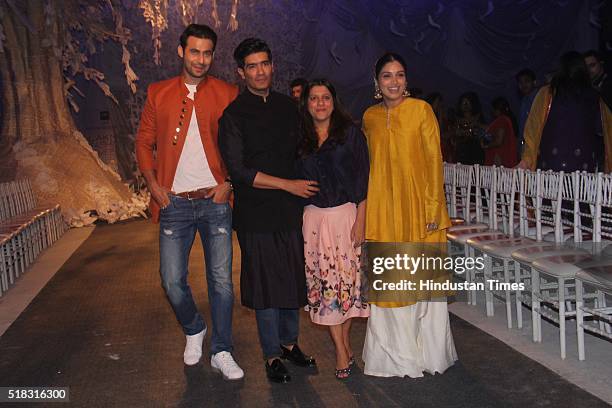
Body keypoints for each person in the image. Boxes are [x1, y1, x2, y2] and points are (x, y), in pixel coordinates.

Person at [135, 24, 244, 379]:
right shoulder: (159, 92)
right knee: (170, 280)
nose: (201, 59)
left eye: (207, 53)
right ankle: (194, 327)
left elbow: (243, 146)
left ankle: (222, 350)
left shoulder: (228, 93)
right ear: (181, 51)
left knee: (222, 282)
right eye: (194, 51)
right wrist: (153, 184)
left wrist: (228, 183)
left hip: (214, 202)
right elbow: (143, 143)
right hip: (174, 204)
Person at [218, 38, 317, 384]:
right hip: (256, 213)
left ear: (272, 66)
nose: (260, 71)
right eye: (252, 66)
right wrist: (287, 185)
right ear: (241, 72)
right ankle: (271, 353)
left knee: (291, 278)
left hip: (290, 211)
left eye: (264, 64)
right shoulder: (233, 115)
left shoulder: (289, 108)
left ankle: (290, 344)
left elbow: (305, 151)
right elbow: (239, 171)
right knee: (265, 286)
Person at [361, 52, 457, 378]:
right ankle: (394, 358)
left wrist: (433, 208)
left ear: (407, 79)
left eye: (399, 74)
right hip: (384, 211)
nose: (394, 81)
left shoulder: (421, 111)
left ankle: (428, 356)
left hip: (419, 209)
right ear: (377, 82)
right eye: (387, 75)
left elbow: (434, 161)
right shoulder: (369, 117)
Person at [296, 79, 370, 379]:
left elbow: (364, 177)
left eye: (326, 97)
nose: (320, 103)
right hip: (313, 218)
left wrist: (361, 219)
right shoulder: (298, 137)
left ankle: (343, 344)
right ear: (307, 103)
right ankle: (341, 349)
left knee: (348, 287)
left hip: (346, 216)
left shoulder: (350, 134)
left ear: (333, 100)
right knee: (327, 286)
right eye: (314, 98)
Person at [518, 51, 612, 173]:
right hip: (583, 174)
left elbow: (533, 129)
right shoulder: (594, 97)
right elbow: (606, 130)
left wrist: (526, 161)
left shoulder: (547, 93)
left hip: (551, 172)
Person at [483, 97, 519, 167]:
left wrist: (486, 146)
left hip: (498, 160)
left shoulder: (502, 120)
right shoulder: (507, 120)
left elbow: (499, 141)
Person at [453, 91, 486, 165]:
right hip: (461, 150)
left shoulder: (478, 117)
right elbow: (454, 133)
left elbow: (487, 130)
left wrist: (476, 126)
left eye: (467, 102)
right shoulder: (457, 119)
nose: (465, 105)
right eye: (463, 103)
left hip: (476, 150)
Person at [515, 68, 538, 154]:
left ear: (535, 82)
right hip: (525, 146)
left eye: (527, 81)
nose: (523, 85)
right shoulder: (524, 101)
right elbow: (522, 127)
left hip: (537, 146)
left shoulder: (540, 99)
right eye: (520, 82)